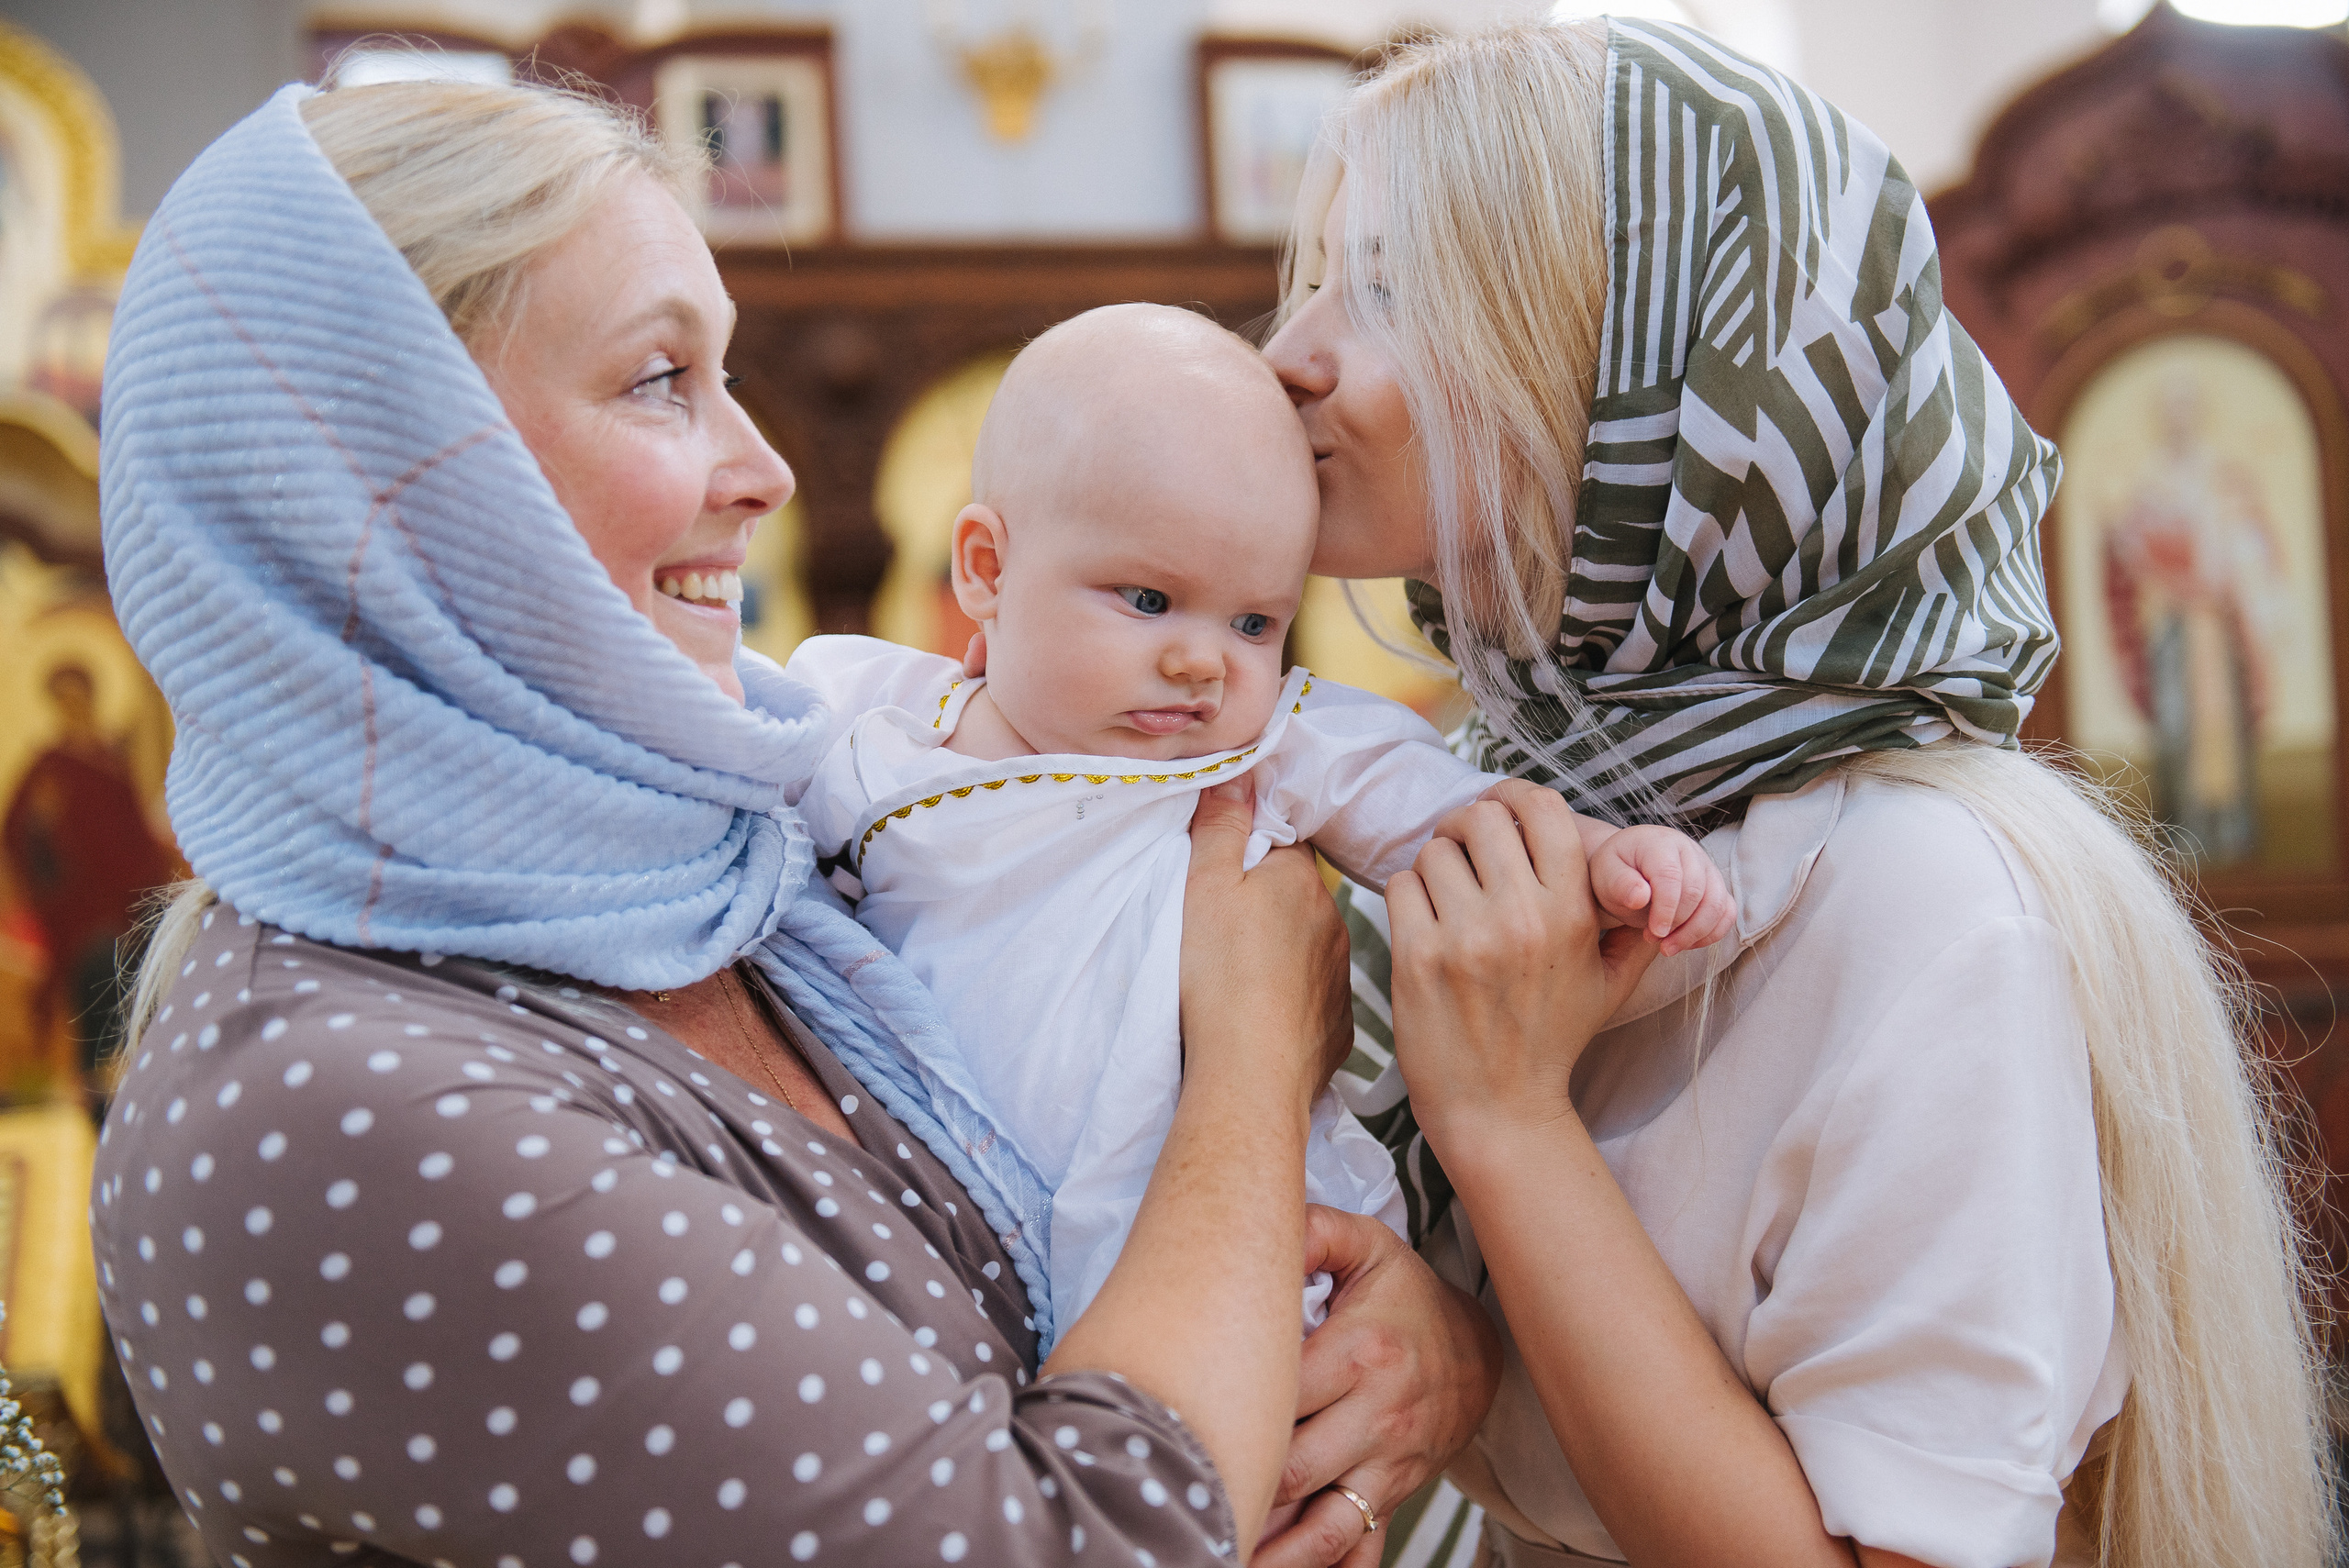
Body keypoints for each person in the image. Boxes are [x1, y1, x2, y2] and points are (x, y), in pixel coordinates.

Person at [91, 77, 1497, 1568]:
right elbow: (1064, 1543)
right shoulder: (339, 1104)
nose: (762, 472)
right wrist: (1247, 1069)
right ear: (385, 468)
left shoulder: (728, 849)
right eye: (658, 379)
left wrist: (1428, 1346)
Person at [1252, 17, 2334, 1568]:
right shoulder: (1503, 794)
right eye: (1315, 278)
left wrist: (1503, 1119)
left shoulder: (1928, 897)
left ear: (1649, 373)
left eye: (1395, 288)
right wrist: (1453, 1343)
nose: (1288, 348)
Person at [785, 302, 1732, 1344]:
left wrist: (1609, 860)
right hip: (928, 1221)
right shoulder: (873, 723)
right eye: (1147, 598)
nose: (1203, 661)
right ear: (986, 569)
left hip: (1191, 1228)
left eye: (1254, 622)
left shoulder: (1267, 747)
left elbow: (1449, 815)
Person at [3, 661, 178, 1091]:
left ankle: (136, 1071)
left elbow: (136, 833)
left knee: (136, 971)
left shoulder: (112, 762)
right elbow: (16, 832)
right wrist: (42, 824)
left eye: (78, 696)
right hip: (75, 908)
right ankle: (92, 1078)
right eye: (63, 698)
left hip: (127, 899)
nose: (72, 706)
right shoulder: (47, 765)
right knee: (97, 971)